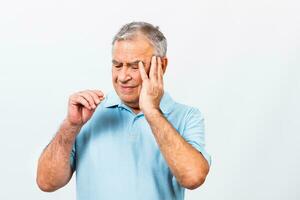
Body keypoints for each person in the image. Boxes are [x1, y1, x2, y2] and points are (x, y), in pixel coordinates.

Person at [36, 21, 211, 200]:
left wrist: (152, 112)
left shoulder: (187, 116)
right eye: (117, 65)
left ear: (162, 66)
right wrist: (71, 126)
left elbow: (193, 177)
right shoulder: (88, 113)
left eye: (135, 66)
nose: (123, 77)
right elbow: (47, 182)